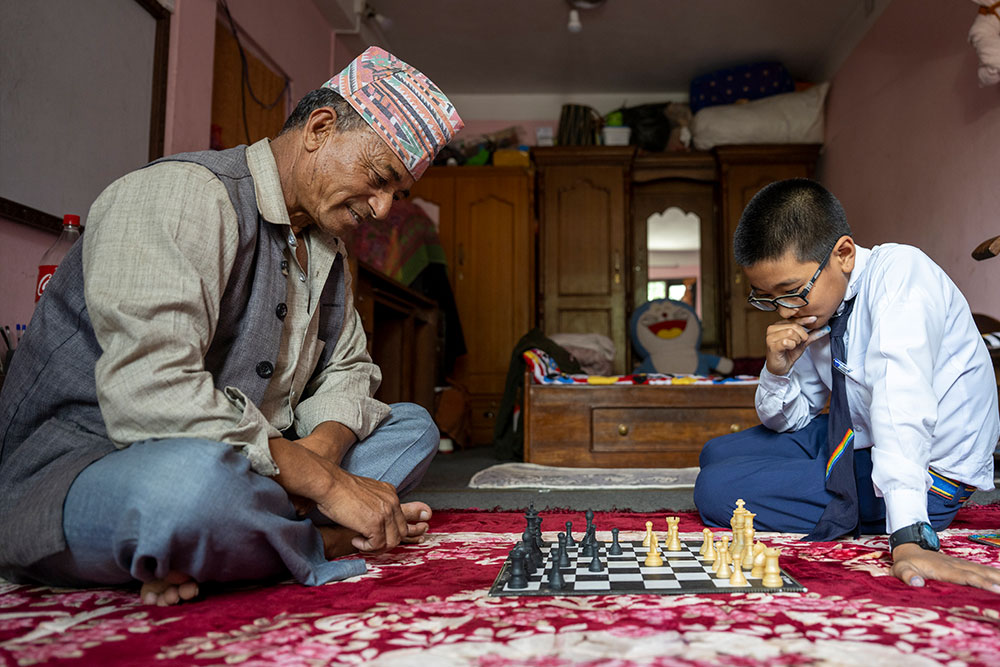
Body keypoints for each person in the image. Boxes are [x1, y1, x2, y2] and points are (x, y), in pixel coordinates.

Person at [0, 47, 463, 606]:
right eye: (379, 177)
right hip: (100, 463)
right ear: (319, 128)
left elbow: (350, 370)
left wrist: (320, 452)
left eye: (398, 192)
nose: (385, 208)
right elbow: (153, 394)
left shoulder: (326, 248)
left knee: (410, 426)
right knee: (188, 493)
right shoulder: (183, 195)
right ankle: (317, 539)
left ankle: (223, 543)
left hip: (252, 463)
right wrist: (324, 484)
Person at [694, 178, 1000, 592]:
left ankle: (885, 506)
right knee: (717, 452)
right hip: (861, 436)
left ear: (844, 254)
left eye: (792, 292)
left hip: (927, 470)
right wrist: (778, 370)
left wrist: (909, 536)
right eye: (767, 297)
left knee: (716, 488)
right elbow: (789, 419)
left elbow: (900, 400)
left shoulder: (902, 275)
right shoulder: (821, 306)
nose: (784, 310)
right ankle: (813, 478)